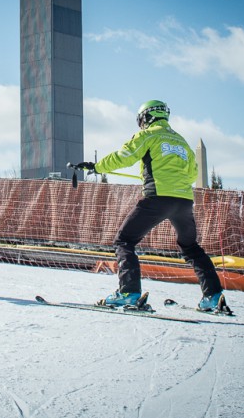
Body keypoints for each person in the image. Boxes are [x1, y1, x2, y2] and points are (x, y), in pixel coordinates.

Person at [75, 100, 228, 312]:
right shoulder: (181, 142)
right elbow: (192, 173)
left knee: (124, 240)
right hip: (183, 201)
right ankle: (213, 296)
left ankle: (128, 292)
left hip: (157, 198)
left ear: (146, 118)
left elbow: (124, 156)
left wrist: (97, 166)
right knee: (191, 247)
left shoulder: (148, 135)